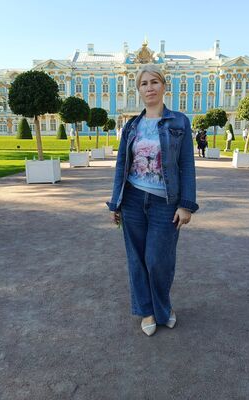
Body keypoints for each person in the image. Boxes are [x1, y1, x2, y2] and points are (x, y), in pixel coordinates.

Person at [107, 64, 198, 337]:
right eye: (144, 83)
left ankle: (163, 307)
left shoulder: (179, 122)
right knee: (137, 259)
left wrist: (186, 204)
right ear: (139, 89)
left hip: (165, 202)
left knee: (159, 260)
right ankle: (147, 310)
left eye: (154, 82)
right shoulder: (131, 125)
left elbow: (187, 164)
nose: (150, 88)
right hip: (133, 200)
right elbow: (122, 164)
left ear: (164, 86)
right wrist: (115, 202)